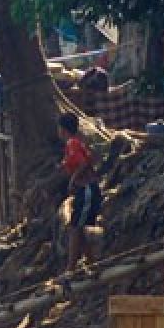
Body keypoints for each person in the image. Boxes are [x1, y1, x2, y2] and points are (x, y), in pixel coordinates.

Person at [57, 112, 101, 270]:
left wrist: (72, 180)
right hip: (86, 190)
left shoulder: (72, 143)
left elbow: (82, 164)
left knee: (75, 228)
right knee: (77, 227)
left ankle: (70, 268)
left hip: (87, 189)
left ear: (62, 129)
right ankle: (91, 262)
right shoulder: (74, 143)